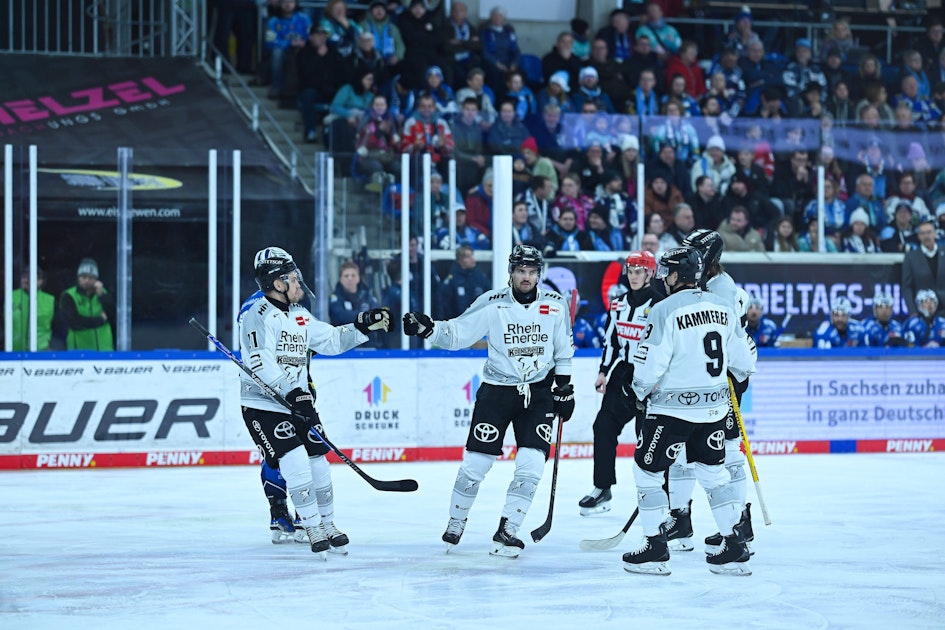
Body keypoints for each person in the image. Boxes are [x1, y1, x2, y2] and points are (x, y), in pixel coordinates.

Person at [402, 245, 575, 558]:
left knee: (532, 463)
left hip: (538, 394)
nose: (526, 277)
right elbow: (457, 334)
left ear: (539, 274)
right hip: (497, 392)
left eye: (532, 271)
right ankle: (457, 519)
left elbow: (563, 349)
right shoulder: (492, 303)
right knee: (477, 463)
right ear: (511, 272)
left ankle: (509, 529)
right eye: (521, 270)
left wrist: (564, 387)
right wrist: (428, 329)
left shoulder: (555, 304)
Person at [239, 246, 392, 558]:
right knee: (294, 461)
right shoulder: (255, 316)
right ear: (277, 283)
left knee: (319, 461)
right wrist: (293, 393)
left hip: (297, 402)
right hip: (264, 405)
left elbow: (331, 340)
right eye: (293, 278)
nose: (299, 284)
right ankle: (310, 527)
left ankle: (328, 523)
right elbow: (258, 362)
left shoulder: (300, 315)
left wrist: (361, 326)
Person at [625, 246, 755, 576]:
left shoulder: (664, 309)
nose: (661, 276)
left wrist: (638, 392)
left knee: (647, 471)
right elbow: (744, 361)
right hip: (713, 409)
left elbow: (649, 365)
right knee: (713, 474)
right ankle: (734, 543)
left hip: (671, 411)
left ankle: (654, 546)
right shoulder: (723, 306)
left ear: (676, 275)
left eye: (666, 270)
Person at [579, 251, 662, 516]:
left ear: (650, 273)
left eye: (640, 271)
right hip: (622, 373)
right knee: (603, 426)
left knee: (646, 439)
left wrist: (660, 379)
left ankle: (658, 495)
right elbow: (611, 341)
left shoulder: (661, 305)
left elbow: (666, 347)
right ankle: (602, 489)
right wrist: (604, 371)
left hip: (649, 377)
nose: (634, 275)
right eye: (630, 270)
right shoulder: (617, 304)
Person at [60, 258, 114, 351]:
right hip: (79, 352)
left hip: (104, 351)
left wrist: (101, 296)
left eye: (91, 277)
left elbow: (114, 315)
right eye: (83, 277)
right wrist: (100, 320)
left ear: (96, 279)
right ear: (78, 278)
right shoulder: (69, 295)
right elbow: (74, 322)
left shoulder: (103, 293)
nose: (87, 280)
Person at [328, 260, 385, 349]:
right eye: (346, 276)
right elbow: (340, 316)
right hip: (343, 348)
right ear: (340, 279)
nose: (350, 278)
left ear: (358, 278)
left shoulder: (368, 296)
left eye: (353, 275)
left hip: (369, 347)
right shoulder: (335, 298)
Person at [901, 220, 945, 317]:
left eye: (929, 232)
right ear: (918, 236)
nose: (926, 236)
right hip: (922, 311)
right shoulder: (911, 257)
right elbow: (907, 288)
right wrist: (912, 311)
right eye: (922, 233)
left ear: (934, 233)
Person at [437, 245, 491, 320]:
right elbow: (445, 305)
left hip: (478, 322)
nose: (472, 259)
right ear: (460, 260)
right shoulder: (452, 280)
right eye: (468, 256)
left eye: (472, 255)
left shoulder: (480, 277)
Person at [12, 266, 56, 351]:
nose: (26, 280)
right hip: (12, 354)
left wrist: (54, 347)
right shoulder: (9, 298)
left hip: (42, 354)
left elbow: (60, 328)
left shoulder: (50, 300)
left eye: (30, 277)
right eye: (24, 277)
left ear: (40, 281)